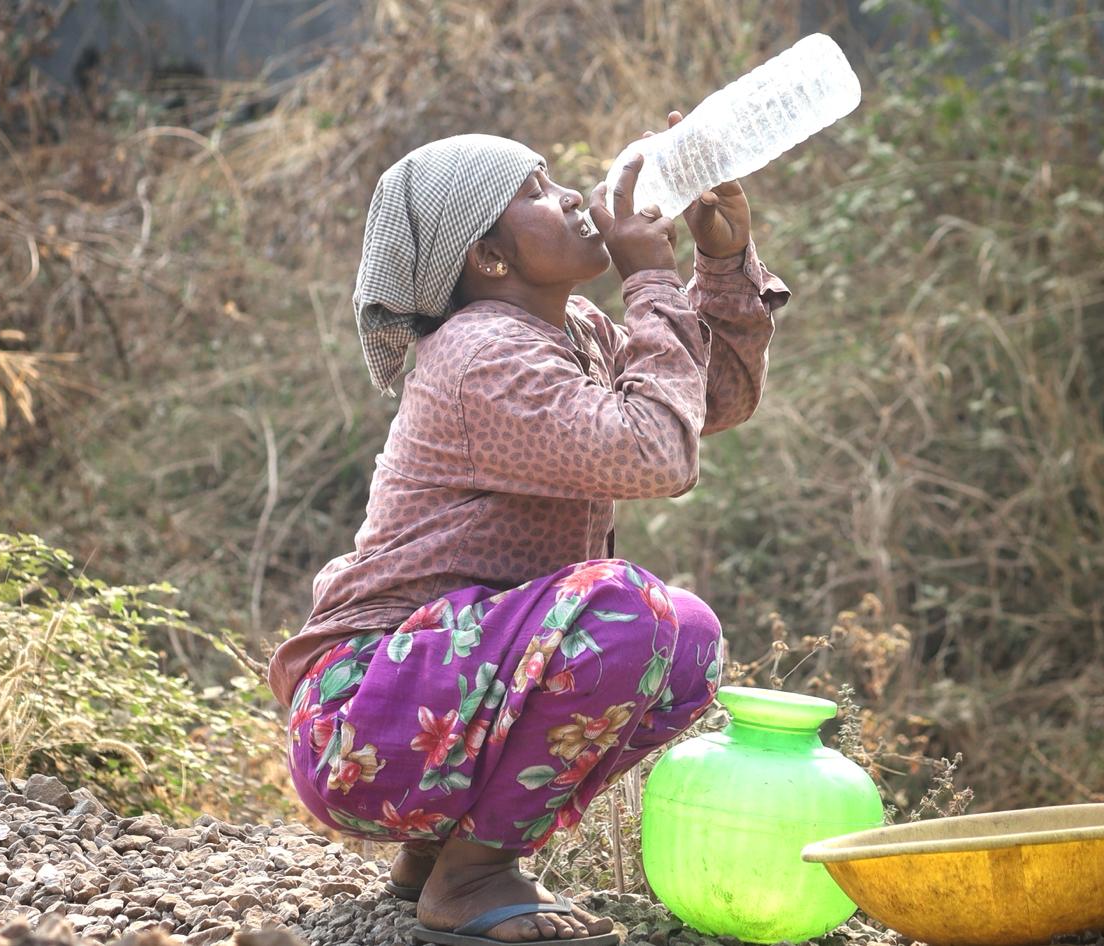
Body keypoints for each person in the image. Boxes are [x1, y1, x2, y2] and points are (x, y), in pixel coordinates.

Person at [268, 111, 790, 946]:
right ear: (490, 259)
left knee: (687, 638)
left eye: (554, 177)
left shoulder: (568, 331)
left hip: (424, 712)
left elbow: (704, 401)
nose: (574, 195)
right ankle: (473, 878)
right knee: (627, 612)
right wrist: (648, 277)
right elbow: (658, 456)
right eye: (536, 193)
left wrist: (720, 262)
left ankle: (440, 854)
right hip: (360, 721)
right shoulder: (484, 354)